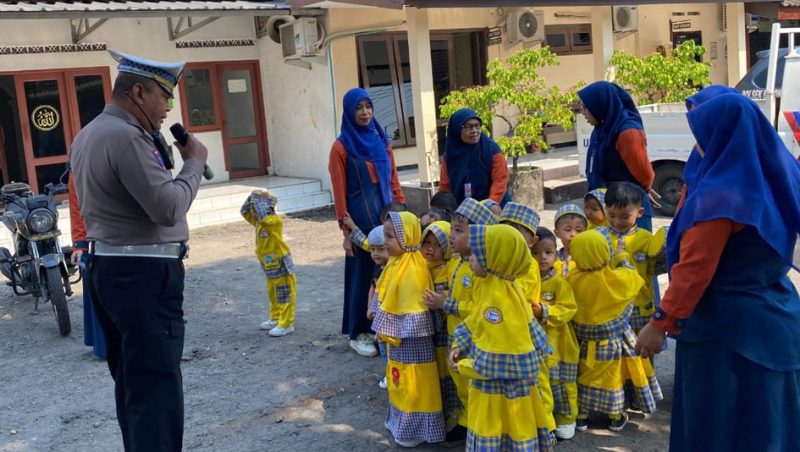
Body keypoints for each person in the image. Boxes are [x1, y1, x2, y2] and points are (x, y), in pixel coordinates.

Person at [636, 93, 800, 451]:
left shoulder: (720, 197)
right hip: (777, 314)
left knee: (721, 428)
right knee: (769, 425)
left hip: (726, 331)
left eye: (701, 132)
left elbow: (694, 272)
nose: (697, 144)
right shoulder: (777, 169)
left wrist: (659, 324)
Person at [71, 50, 207, 451]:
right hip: (142, 277)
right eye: (163, 97)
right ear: (137, 91)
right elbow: (167, 207)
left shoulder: (90, 132)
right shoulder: (127, 137)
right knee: (156, 392)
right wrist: (194, 164)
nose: (167, 108)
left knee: (134, 387)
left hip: (112, 270)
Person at [449, 224, 555, 452]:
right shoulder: (500, 286)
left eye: (478, 255)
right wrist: (461, 344)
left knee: (500, 435)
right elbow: (475, 322)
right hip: (504, 392)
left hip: (498, 395)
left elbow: (500, 361)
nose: (471, 260)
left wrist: (465, 365)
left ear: (495, 260)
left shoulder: (499, 302)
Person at [329, 88, 406, 358]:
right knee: (362, 275)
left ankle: (381, 326)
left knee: (389, 273)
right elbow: (339, 192)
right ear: (350, 112)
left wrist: (401, 210)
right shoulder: (341, 147)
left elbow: (393, 178)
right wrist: (346, 232)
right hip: (360, 220)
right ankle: (357, 332)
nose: (365, 112)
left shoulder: (381, 140)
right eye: (359, 108)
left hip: (386, 217)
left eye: (368, 106)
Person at [422, 197, 497, 440]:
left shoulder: (481, 270)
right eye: (452, 229)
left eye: (458, 230)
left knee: (471, 384)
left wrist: (447, 303)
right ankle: (467, 421)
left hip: (474, 339)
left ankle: (473, 427)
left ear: (479, 235)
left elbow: (480, 308)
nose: (452, 236)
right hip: (457, 335)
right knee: (460, 382)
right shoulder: (458, 262)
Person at [568, 230, 658, 432]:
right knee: (611, 376)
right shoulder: (614, 279)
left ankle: (582, 416)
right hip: (612, 344)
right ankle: (615, 416)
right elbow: (631, 277)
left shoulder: (572, 279)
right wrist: (621, 256)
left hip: (584, 343)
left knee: (585, 375)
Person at [372, 211, 446, 447]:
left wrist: (389, 328)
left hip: (412, 340)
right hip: (397, 339)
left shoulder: (414, 268)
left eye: (391, 236)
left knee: (415, 385)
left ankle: (414, 430)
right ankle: (400, 422)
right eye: (386, 235)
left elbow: (413, 308)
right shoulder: (395, 263)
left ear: (407, 238)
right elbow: (384, 293)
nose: (386, 242)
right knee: (399, 381)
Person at [498, 202, 556, 435]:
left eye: (517, 230)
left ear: (531, 240)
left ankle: (547, 426)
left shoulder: (528, 265)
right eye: (506, 228)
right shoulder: (501, 260)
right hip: (505, 332)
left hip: (524, 331)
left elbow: (513, 296)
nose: (511, 234)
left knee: (537, 379)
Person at [578, 81, 660, 231]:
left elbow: (644, 173)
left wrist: (643, 190)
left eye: (585, 108)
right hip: (609, 205)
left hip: (626, 207)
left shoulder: (627, 131)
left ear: (599, 105)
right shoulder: (603, 127)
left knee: (634, 251)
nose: (582, 112)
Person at [532, 227, 579, 440]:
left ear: (555, 252)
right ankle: (544, 418)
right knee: (540, 382)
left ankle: (567, 418)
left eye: (548, 252)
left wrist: (545, 311)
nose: (542, 257)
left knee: (561, 382)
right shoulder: (525, 280)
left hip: (559, 342)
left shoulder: (559, 281)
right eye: (536, 252)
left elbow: (568, 308)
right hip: (534, 343)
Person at [420, 220, 461, 432]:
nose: (429, 248)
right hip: (429, 333)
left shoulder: (449, 270)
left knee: (448, 375)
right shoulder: (419, 266)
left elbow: (451, 298)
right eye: (426, 242)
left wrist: (441, 301)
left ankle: (452, 418)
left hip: (445, 332)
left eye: (436, 244)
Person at [240, 190, 297, 337]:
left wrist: (260, 199)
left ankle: (286, 323)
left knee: (284, 293)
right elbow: (244, 211)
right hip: (268, 263)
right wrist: (251, 196)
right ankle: (276, 317)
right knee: (273, 292)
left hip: (280, 262)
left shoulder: (273, 221)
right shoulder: (259, 222)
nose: (253, 211)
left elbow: (264, 216)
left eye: (256, 207)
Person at [68, 172, 106, 359]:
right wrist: (80, 244)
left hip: (126, 237)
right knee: (98, 293)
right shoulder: (78, 165)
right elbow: (76, 206)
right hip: (96, 242)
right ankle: (103, 347)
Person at [438, 108, 510, 205]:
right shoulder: (450, 156)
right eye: (469, 126)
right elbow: (445, 187)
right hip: (463, 211)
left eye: (477, 126)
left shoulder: (491, 150)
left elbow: (500, 180)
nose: (474, 131)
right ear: (457, 129)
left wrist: (490, 205)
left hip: (494, 207)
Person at [363, 226, 390, 389]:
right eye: (372, 249)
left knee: (389, 348)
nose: (376, 254)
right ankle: (388, 372)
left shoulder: (394, 269)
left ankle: (391, 373)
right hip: (379, 316)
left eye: (381, 249)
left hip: (388, 318)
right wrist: (369, 307)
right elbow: (373, 287)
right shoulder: (378, 268)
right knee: (382, 347)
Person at [552, 204, 587, 278]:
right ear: (557, 233)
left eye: (579, 230)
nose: (573, 234)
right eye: (568, 230)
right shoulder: (553, 259)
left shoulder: (588, 259)